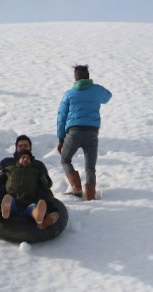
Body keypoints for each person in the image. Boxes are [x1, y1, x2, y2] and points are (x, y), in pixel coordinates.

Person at [56, 65, 112, 201]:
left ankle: (76, 189)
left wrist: (61, 138)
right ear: (88, 76)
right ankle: (90, 196)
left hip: (74, 133)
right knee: (90, 167)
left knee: (65, 159)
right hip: (92, 133)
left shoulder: (69, 94)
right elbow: (108, 96)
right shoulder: (96, 91)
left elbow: (61, 117)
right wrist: (94, 87)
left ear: (75, 77)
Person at [0, 149, 59, 229]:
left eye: (28, 158)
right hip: (13, 199)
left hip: (29, 201)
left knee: (36, 207)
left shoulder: (36, 171)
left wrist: (44, 179)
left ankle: (40, 218)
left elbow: (47, 184)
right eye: (23, 157)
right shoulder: (10, 168)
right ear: (18, 159)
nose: (26, 159)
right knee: (6, 199)